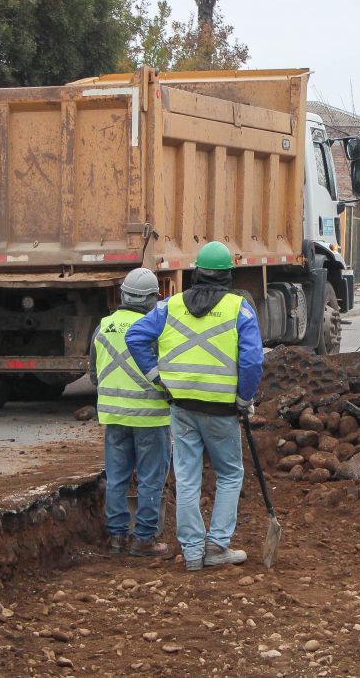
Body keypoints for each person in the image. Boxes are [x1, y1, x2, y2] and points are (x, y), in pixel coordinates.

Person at [125, 241, 264, 572]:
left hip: (182, 405)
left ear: (196, 273)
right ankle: (216, 546)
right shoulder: (239, 309)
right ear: (228, 276)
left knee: (187, 477)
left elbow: (135, 337)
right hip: (221, 409)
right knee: (230, 474)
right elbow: (252, 360)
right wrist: (245, 398)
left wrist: (158, 377)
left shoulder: (168, 307)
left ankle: (191, 553)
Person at [89, 267, 172, 558]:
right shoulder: (157, 329)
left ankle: (116, 537)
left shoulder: (103, 327)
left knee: (117, 478)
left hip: (115, 418)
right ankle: (145, 539)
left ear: (123, 294)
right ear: (153, 299)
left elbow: (94, 375)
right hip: (151, 417)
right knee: (150, 478)